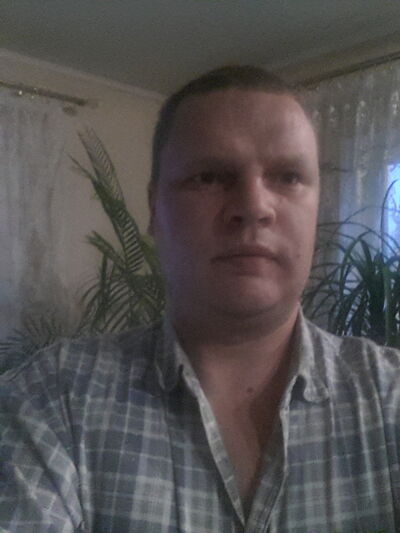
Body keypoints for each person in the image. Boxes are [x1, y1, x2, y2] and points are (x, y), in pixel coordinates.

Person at [0, 65, 399, 533]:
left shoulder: (390, 397)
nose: (254, 206)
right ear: (155, 209)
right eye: (209, 177)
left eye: (288, 176)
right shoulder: (50, 398)